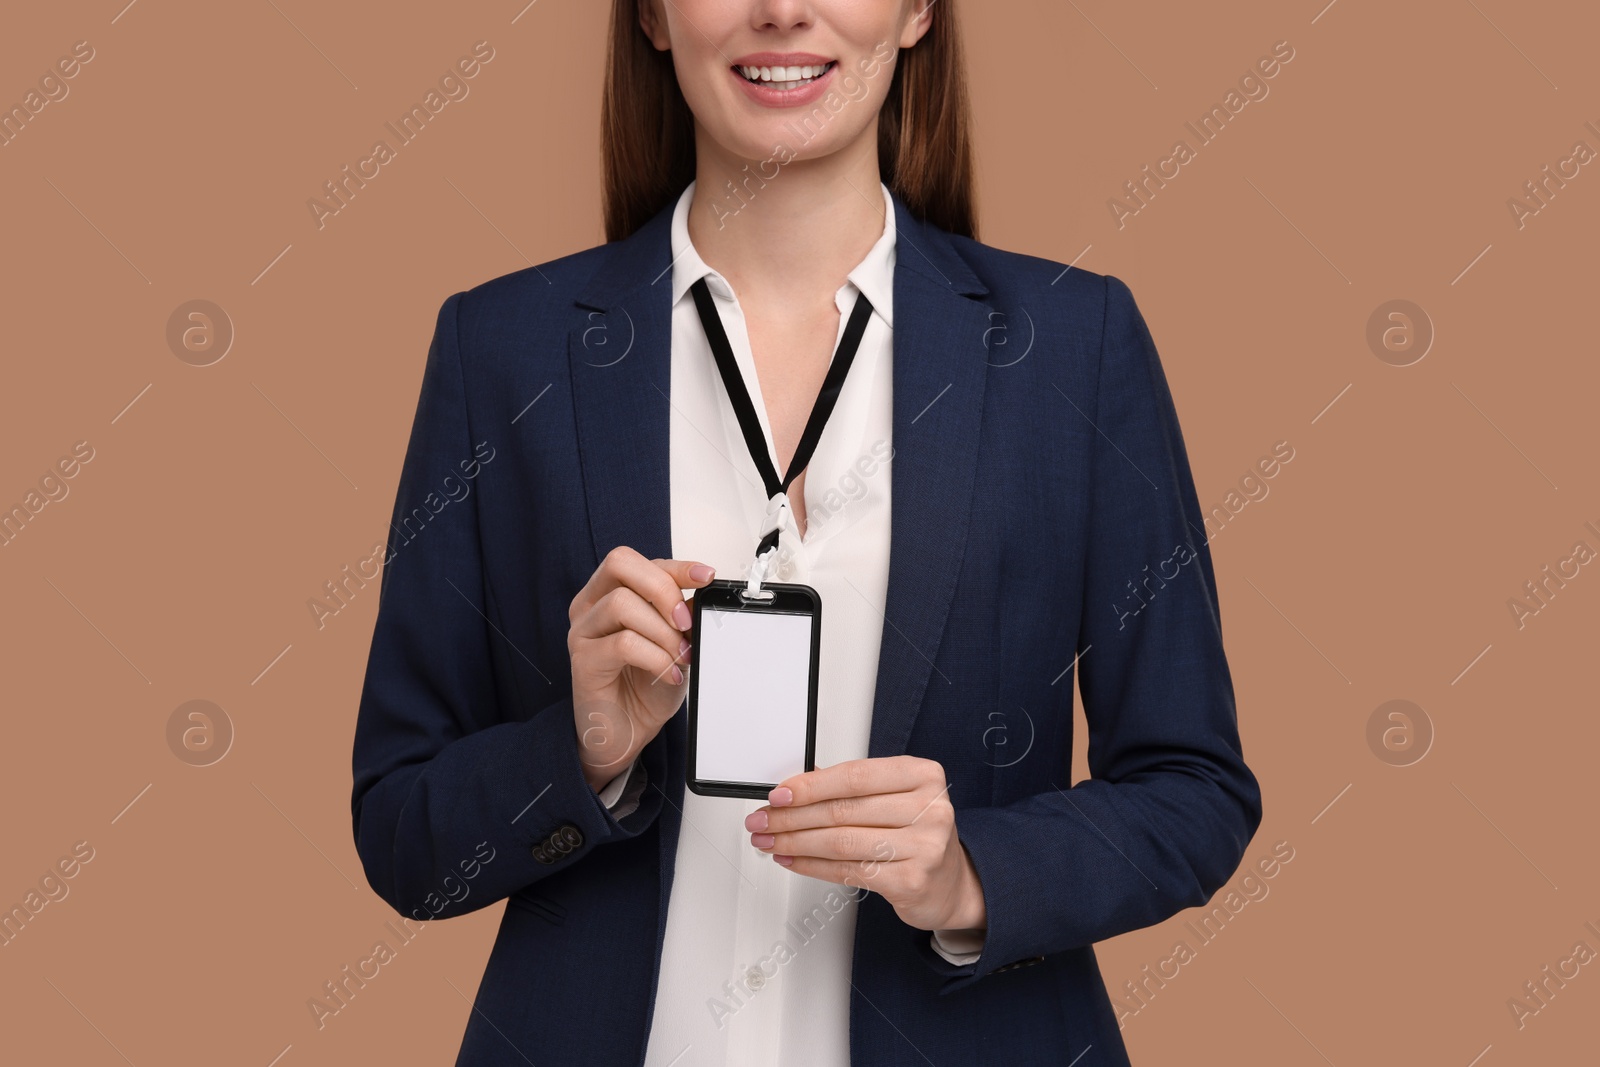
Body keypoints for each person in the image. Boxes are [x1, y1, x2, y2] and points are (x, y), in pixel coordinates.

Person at [349, 1, 1263, 1064]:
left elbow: (1195, 791)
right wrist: (585, 750)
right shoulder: (500, 351)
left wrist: (969, 870)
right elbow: (402, 832)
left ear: (917, 10)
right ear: (651, 16)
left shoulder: (1071, 345)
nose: (782, 8)